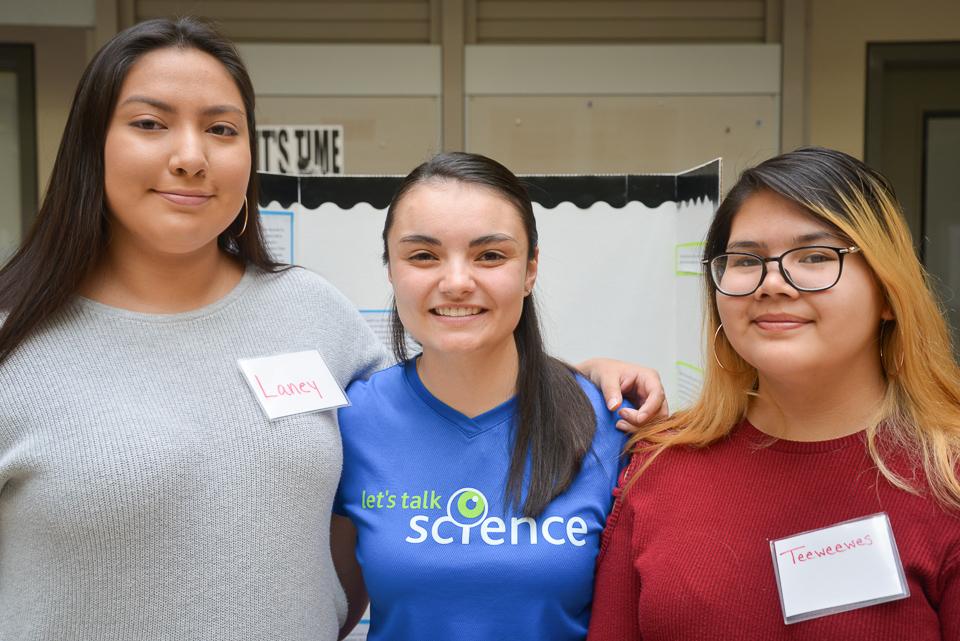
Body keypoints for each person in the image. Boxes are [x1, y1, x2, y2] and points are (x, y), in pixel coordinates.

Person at [0, 19, 663, 641]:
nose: (191, 156)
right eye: (150, 123)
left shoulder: (310, 312)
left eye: (222, 129)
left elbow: (451, 387)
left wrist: (586, 379)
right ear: (90, 144)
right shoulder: (16, 342)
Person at [587, 147, 960, 640]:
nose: (772, 283)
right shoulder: (658, 464)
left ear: (889, 292)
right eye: (746, 260)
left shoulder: (947, 482)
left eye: (815, 256)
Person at [333, 152, 633, 641]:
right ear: (390, 269)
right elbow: (327, 611)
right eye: (423, 256)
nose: (456, 283)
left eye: (490, 255)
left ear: (530, 269)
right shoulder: (352, 422)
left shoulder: (611, 424)